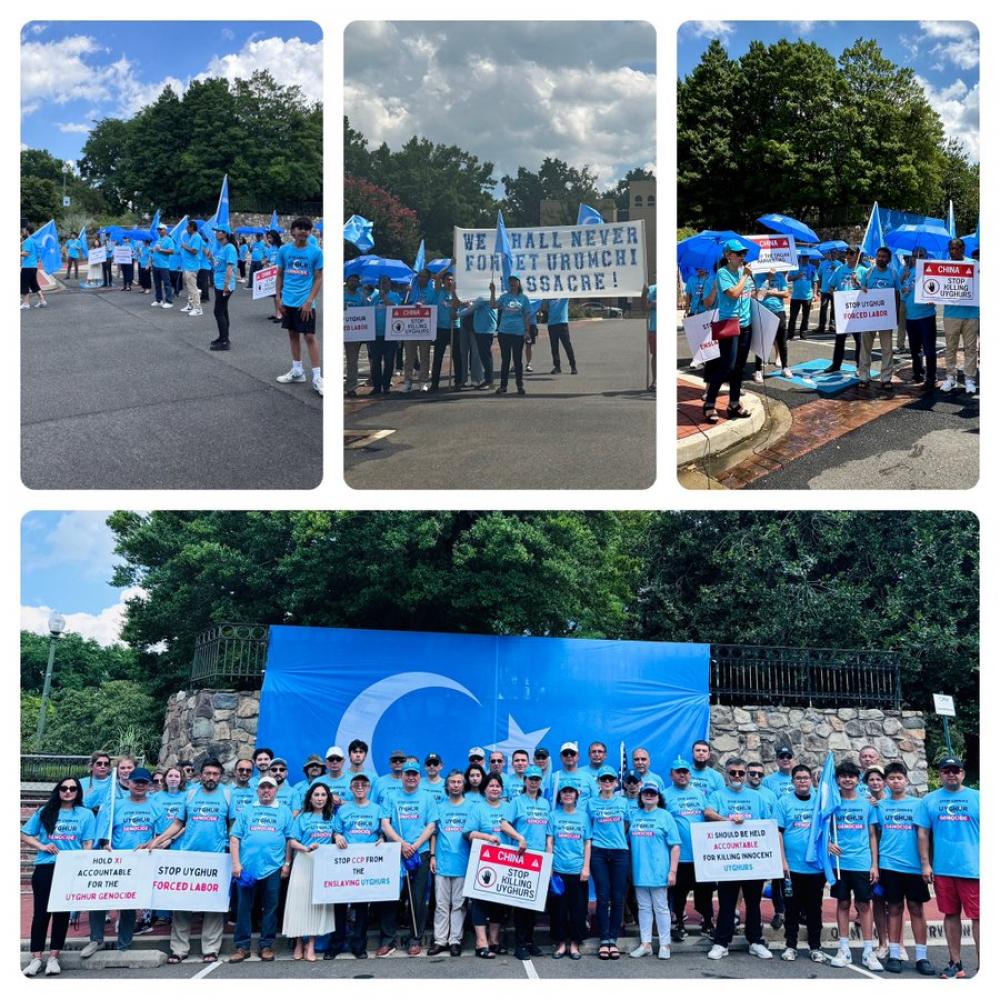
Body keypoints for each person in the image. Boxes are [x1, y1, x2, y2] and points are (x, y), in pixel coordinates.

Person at [90, 768, 177, 955]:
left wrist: (154, 844)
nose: (139, 785)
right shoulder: (116, 805)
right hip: (115, 858)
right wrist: (105, 843)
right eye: (136, 781)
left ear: (149, 785)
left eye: (144, 782)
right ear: (128, 783)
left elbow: (163, 834)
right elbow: (104, 831)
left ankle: (124, 943)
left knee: (129, 903)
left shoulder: (156, 806)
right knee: (100, 900)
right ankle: (96, 939)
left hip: (140, 860)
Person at [21, 777, 96, 976]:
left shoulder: (86, 814)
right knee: (41, 913)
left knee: (62, 913)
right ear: (58, 790)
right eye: (64, 788)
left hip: (69, 868)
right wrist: (42, 846)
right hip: (46, 866)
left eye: (72, 788)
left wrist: (84, 865)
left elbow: (87, 844)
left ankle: (54, 956)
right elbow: (25, 834)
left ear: (78, 791)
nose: (68, 791)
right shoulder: (46, 811)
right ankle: (36, 958)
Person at [916, 755, 979, 978]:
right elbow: (922, 833)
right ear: (940, 774)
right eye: (946, 770)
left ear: (963, 773)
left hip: (974, 869)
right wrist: (926, 865)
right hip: (943, 869)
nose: (951, 774)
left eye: (955, 770)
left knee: (979, 918)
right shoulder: (929, 800)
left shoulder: (979, 798)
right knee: (950, 915)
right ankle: (955, 963)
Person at [704, 758, 773, 962]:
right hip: (728, 862)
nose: (736, 776)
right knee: (726, 903)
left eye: (741, 773)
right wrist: (727, 821)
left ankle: (755, 942)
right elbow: (708, 812)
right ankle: (721, 943)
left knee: (754, 903)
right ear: (726, 773)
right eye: (732, 772)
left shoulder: (757, 797)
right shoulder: (717, 795)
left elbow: (767, 823)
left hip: (752, 860)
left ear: (745, 775)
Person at [166, 758, 230, 964]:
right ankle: (178, 949)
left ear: (220, 776)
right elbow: (178, 823)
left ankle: (210, 949)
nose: (211, 777)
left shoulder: (228, 795)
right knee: (182, 904)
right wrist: (156, 841)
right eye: (208, 773)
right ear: (201, 774)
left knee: (213, 905)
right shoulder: (190, 794)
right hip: (189, 856)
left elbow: (233, 826)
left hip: (217, 858)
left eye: (215, 774)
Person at [876, 761, 936, 975]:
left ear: (906, 780)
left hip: (913, 867)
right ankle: (894, 954)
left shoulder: (919, 804)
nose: (895, 781)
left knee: (917, 909)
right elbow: (875, 835)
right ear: (886, 782)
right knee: (893, 909)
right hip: (889, 865)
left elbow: (925, 835)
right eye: (891, 778)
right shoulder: (880, 806)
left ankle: (921, 956)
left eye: (899, 778)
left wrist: (926, 864)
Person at [229, 775, 293, 963]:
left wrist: (287, 863)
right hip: (247, 868)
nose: (266, 791)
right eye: (263, 787)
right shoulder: (247, 811)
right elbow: (235, 838)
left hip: (273, 867)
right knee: (243, 908)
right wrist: (236, 864)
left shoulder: (284, 811)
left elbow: (290, 839)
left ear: (276, 790)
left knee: (271, 908)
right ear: (257, 790)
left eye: (270, 788)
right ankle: (242, 947)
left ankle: (266, 946)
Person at [378, 758, 439, 956]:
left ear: (419, 777)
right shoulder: (391, 796)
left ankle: (415, 939)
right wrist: (401, 844)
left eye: (414, 774)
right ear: (402, 776)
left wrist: (415, 846)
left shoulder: (427, 798)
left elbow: (431, 826)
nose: (411, 777)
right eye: (407, 774)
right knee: (390, 896)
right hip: (395, 852)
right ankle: (388, 939)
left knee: (418, 898)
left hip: (418, 853)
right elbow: (385, 824)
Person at [827, 759, 883, 970]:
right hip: (839, 863)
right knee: (842, 904)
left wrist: (874, 865)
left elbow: (872, 836)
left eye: (851, 776)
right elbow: (822, 830)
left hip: (861, 863)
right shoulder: (832, 804)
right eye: (843, 776)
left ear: (857, 780)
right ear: (838, 780)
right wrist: (828, 844)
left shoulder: (866, 803)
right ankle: (844, 949)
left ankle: (868, 952)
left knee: (864, 905)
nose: (847, 779)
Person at [462, 773, 519, 958]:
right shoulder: (477, 808)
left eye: (497, 786)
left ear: (502, 789)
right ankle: (481, 942)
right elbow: (467, 833)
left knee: (499, 903)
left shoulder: (510, 807)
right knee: (480, 901)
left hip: (505, 861)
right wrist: (488, 837)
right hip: (484, 861)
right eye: (491, 786)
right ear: (484, 789)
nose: (494, 789)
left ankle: (494, 941)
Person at [775, 764, 827, 963]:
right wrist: (783, 862)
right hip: (792, 868)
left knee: (815, 908)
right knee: (791, 908)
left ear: (811, 780)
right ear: (793, 781)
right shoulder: (783, 802)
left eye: (806, 778)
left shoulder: (820, 801)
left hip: (816, 868)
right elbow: (778, 832)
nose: (802, 781)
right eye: (798, 778)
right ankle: (791, 945)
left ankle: (815, 946)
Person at [330, 773, 384, 958]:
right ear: (351, 788)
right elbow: (336, 831)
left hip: (366, 864)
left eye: (364, 784)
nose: (360, 787)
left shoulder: (377, 809)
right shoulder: (343, 810)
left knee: (362, 906)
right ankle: (336, 943)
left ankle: (359, 945)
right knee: (340, 904)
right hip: (345, 862)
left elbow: (381, 833)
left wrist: (382, 839)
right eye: (356, 784)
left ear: (369, 788)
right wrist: (337, 837)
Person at [701, 240, 754, 423]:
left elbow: (749, 294)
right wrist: (745, 277)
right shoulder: (723, 273)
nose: (742, 257)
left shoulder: (742, 272)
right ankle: (709, 403)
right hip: (729, 324)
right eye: (738, 254)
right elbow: (733, 293)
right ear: (728, 255)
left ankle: (734, 403)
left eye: (743, 254)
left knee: (739, 367)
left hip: (746, 324)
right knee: (726, 367)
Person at [284, 782, 337, 960]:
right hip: (303, 862)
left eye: (323, 795)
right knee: (299, 904)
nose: (320, 798)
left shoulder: (331, 818)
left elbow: (337, 836)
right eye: (316, 795)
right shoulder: (302, 817)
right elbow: (292, 841)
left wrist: (338, 836)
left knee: (317, 905)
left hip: (323, 865)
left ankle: (311, 944)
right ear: (310, 797)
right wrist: (305, 849)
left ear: (328, 797)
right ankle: (299, 942)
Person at [628, 782, 680, 960]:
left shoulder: (665, 816)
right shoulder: (635, 815)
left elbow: (675, 846)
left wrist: (672, 871)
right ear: (641, 796)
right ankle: (646, 944)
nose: (649, 795)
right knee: (643, 908)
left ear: (658, 796)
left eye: (653, 793)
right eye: (646, 793)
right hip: (640, 870)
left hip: (659, 871)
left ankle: (665, 944)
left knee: (661, 908)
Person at [663, 757, 712, 940]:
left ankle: (707, 922)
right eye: (678, 772)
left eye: (685, 771)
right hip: (679, 855)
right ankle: (679, 925)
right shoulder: (665, 795)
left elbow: (708, 815)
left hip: (700, 855)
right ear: (671, 775)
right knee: (678, 894)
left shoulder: (699, 794)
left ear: (690, 774)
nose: (682, 774)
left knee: (704, 893)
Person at [275, 217, 323, 396]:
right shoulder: (284, 250)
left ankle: (318, 377)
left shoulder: (316, 252)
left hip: (305, 302)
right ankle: (297, 371)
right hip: (288, 300)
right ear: (292, 231)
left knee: (309, 336)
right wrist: (278, 299)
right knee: (292, 334)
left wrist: (310, 301)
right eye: (299, 228)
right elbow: (279, 275)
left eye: (306, 228)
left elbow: (318, 278)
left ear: (310, 232)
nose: (303, 231)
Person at [428, 770, 475, 956]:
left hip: (463, 863)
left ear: (464, 785)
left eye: (459, 782)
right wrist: (432, 855)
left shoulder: (472, 807)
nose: (455, 785)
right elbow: (434, 833)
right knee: (440, 903)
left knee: (459, 904)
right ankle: (440, 940)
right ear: (447, 785)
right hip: (442, 861)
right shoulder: (439, 807)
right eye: (452, 782)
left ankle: (455, 940)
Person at [505, 765, 550, 958]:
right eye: (530, 779)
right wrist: (519, 838)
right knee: (522, 904)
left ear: (541, 782)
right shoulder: (517, 802)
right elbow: (504, 823)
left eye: (536, 779)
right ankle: (520, 944)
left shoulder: (546, 804)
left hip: (540, 858)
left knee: (535, 904)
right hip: (523, 857)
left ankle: (530, 941)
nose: (533, 782)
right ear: (525, 781)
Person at [588, 764, 630, 959]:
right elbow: (588, 826)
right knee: (603, 896)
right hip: (599, 852)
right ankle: (604, 939)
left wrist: (617, 839)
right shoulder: (591, 803)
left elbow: (627, 824)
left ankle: (614, 938)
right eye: (603, 779)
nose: (607, 782)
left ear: (615, 782)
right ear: (598, 782)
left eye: (610, 779)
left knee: (618, 896)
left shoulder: (623, 802)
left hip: (620, 852)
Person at [546, 783, 592, 960]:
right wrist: (549, 866)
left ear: (576, 795)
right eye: (564, 792)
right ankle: (561, 944)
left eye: (570, 792)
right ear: (560, 795)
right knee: (558, 910)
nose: (567, 795)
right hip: (558, 870)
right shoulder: (553, 816)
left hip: (577, 871)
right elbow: (550, 841)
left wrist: (586, 867)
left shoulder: (584, 817)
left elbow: (587, 842)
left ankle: (574, 944)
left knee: (578, 910)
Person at [857, 246, 900, 394]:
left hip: (886, 317)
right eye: (879, 256)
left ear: (888, 259)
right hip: (869, 317)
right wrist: (860, 287)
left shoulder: (893, 274)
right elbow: (861, 291)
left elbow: (897, 295)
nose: (880, 258)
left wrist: (895, 316)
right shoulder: (868, 273)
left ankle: (886, 378)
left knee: (887, 349)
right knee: (865, 348)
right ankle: (864, 376)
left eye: (884, 256)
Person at [941, 237, 979, 396]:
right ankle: (950, 377)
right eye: (952, 248)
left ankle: (970, 379)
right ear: (949, 250)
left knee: (971, 348)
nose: (955, 251)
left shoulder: (975, 265)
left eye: (958, 248)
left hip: (972, 314)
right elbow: (935, 288)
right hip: (951, 314)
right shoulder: (942, 266)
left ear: (963, 249)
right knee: (951, 347)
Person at [746, 762, 782, 927]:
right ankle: (738, 913)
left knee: (770, 881)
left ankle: (778, 912)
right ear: (747, 774)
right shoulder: (739, 792)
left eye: (760, 774)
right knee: (742, 884)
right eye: (752, 773)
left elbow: (773, 820)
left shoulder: (770, 795)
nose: (756, 777)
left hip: (763, 846)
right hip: (739, 847)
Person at [899, 249, 937, 390]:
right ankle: (918, 373)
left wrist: (933, 298)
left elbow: (938, 292)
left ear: (926, 257)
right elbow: (902, 291)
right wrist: (904, 286)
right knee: (915, 349)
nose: (917, 258)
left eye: (921, 255)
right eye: (915, 255)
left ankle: (931, 378)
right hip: (911, 316)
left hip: (926, 316)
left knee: (929, 349)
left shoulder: (930, 271)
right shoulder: (908, 272)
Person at [823, 247, 865, 374]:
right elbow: (830, 287)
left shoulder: (864, 271)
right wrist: (836, 295)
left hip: (857, 310)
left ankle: (859, 366)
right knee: (840, 339)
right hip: (843, 311)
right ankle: (836, 364)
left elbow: (868, 290)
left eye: (851, 253)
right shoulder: (839, 269)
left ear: (858, 255)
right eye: (846, 253)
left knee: (859, 340)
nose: (848, 255)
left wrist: (858, 282)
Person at [490, 274, 531, 394]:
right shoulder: (504, 297)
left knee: (517, 360)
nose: (512, 283)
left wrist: (527, 331)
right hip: (504, 332)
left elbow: (527, 315)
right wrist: (493, 292)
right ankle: (503, 386)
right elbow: (493, 305)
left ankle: (520, 385)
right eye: (510, 281)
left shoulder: (524, 298)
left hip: (518, 333)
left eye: (514, 281)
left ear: (519, 283)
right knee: (505, 360)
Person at [752, 269, 793, 382]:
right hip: (764, 311)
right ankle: (758, 370)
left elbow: (786, 294)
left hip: (779, 311)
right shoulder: (759, 276)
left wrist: (770, 292)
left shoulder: (780, 276)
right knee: (762, 343)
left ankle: (785, 367)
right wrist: (768, 279)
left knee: (782, 341)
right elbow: (758, 295)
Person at [402, 269, 435, 392]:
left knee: (424, 356)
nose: (421, 278)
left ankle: (423, 381)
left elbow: (432, 305)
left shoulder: (431, 291)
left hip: (424, 328)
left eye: (424, 276)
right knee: (409, 356)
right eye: (419, 276)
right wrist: (406, 295)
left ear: (428, 278)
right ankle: (407, 381)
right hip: (410, 328)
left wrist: (423, 304)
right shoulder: (411, 289)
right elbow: (403, 305)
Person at [367, 274, 400, 394]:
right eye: (382, 283)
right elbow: (366, 310)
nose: (384, 285)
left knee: (389, 361)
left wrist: (385, 298)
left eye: (386, 282)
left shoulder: (395, 296)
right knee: (375, 361)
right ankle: (376, 386)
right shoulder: (373, 297)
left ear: (390, 284)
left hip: (390, 334)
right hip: (375, 334)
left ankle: (386, 386)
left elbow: (396, 309)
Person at [428, 271, 459, 392]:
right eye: (448, 280)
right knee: (438, 357)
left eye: (451, 280)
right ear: (443, 281)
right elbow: (436, 276)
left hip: (455, 327)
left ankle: (458, 382)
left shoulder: (456, 292)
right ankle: (434, 383)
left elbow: (458, 304)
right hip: (441, 328)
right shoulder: (439, 292)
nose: (450, 282)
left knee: (457, 356)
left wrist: (454, 292)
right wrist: (449, 265)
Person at [208, 226, 237, 351]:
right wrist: (209, 257)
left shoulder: (230, 247)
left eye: (218, 231)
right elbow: (217, 265)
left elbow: (230, 267)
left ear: (225, 234)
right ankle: (223, 337)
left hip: (224, 285)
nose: (216, 233)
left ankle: (225, 341)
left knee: (218, 311)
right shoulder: (222, 248)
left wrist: (226, 285)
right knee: (223, 310)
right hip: (219, 283)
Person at [343, 274, 371, 398]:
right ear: (347, 281)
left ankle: (351, 387)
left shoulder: (361, 296)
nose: (353, 282)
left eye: (355, 281)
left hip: (354, 333)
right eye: (351, 280)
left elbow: (366, 312)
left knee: (352, 361)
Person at [545, 297, 577, 374]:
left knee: (567, 345)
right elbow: (545, 308)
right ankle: (557, 367)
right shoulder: (549, 297)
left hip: (562, 323)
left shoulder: (564, 297)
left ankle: (573, 366)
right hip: (552, 324)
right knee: (554, 347)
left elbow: (573, 291)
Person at [788, 254, 816, 339]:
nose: (805, 259)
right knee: (793, 316)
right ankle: (790, 334)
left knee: (806, 317)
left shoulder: (812, 267)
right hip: (796, 296)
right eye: (804, 257)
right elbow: (789, 278)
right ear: (800, 258)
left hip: (807, 296)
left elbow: (815, 281)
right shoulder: (795, 267)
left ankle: (803, 333)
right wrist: (797, 276)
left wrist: (815, 294)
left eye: (807, 257)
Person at [179, 221, 204, 316]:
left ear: (192, 228)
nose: (186, 229)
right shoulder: (192, 237)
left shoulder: (197, 237)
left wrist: (185, 246)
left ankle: (198, 308)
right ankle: (190, 305)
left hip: (192, 267)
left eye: (187, 227)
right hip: (188, 266)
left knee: (193, 288)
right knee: (190, 288)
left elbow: (194, 251)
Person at [20, 225, 47, 310]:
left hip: (27, 266)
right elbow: (38, 254)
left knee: (24, 284)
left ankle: (26, 303)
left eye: (24, 230)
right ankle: (42, 301)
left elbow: (26, 253)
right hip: (34, 266)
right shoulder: (35, 241)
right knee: (34, 284)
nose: (23, 232)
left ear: (27, 231)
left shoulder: (27, 241)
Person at [150, 222, 174, 307]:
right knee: (157, 284)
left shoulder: (169, 240)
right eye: (158, 229)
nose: (159, 231)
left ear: (165, 230)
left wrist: (160, 250)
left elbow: (171, 251)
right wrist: (152, 250)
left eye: (161, 229)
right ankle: (158, 300)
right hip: (156, 264)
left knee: (167, 284)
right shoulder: (158, 239)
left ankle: (169, 301)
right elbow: (156, 249)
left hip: (164, 265)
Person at [642, 282, 656, 390]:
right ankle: (655, 381)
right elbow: (645, 308)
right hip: (654, 328)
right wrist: (643, 294)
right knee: (656, 355)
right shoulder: (651, 289)